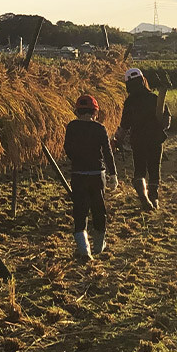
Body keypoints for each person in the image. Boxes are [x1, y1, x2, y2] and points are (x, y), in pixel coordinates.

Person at [63, 94, 118, 261]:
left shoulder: (72, 127)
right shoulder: (99, 129)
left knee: (80, 211)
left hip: (78, 175)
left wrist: (77, 160)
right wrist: (113, 174)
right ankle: (99, 245)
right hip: (97, 175)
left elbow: (67, 149)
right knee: (98, 209)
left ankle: (84, 249)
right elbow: (107, 153)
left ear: (77, 111)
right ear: (95, 112)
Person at [115, 68, 171, 211]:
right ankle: (154, 199)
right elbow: (167, 121)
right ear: (143, 80)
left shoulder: (130, 102)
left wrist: (118, 139)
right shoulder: (154, 98)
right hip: (155, 138)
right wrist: (161, 124)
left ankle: (143, 196)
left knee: (139, 170)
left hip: (138, 140)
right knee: (154, 169)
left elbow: (124, 125)